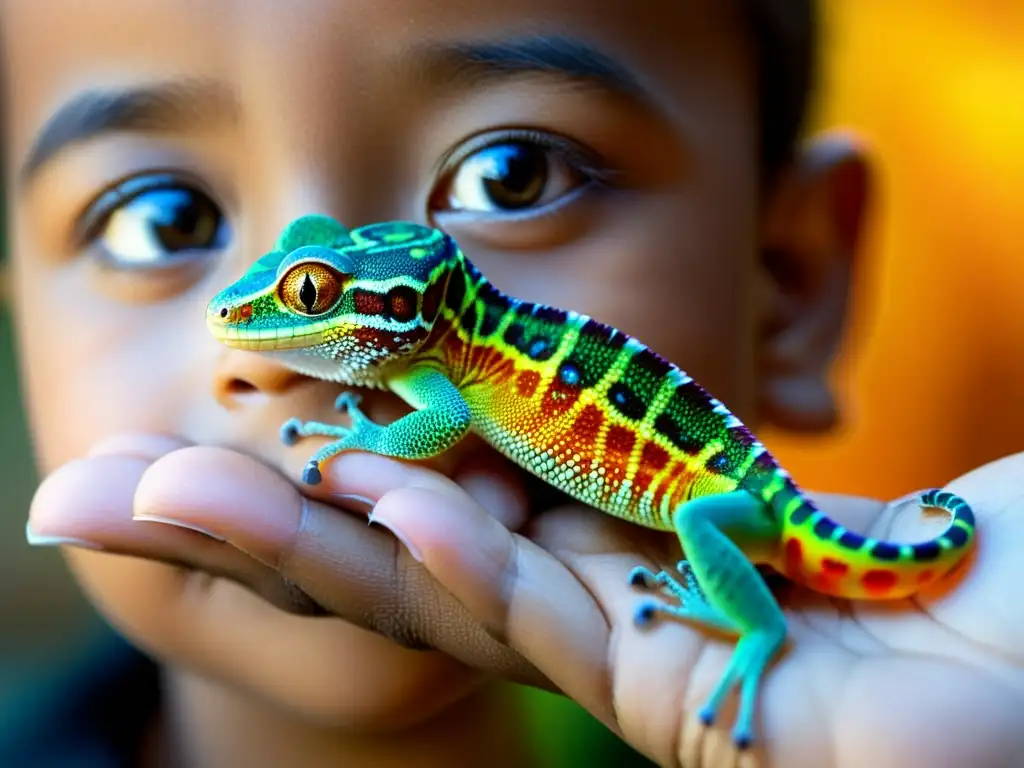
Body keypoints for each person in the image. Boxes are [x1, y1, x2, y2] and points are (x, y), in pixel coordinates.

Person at [7, 0, 1023, 766]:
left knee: (711, 529)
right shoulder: (439, 361)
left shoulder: (447, 383)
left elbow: (433, 421)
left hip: (750, 531)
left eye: (513, 174)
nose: (246, 346)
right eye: (163, 221)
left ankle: (752, 632)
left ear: (788, 281)